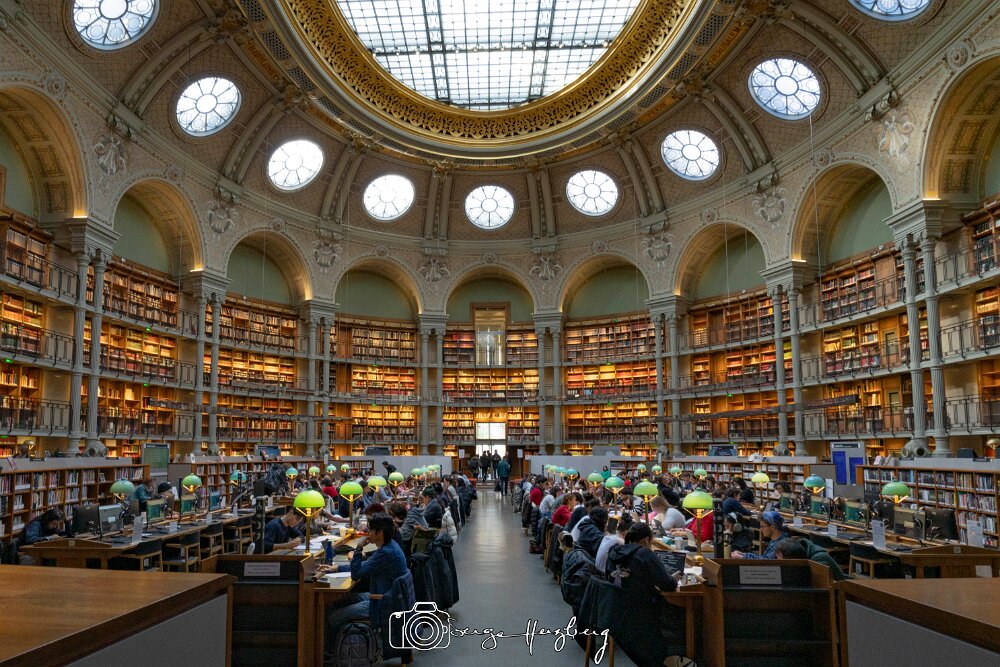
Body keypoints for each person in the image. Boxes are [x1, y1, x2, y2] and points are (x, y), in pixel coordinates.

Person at [322, 513, 409, 646]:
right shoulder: (389, 546)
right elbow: (366, 565)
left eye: (370, 530)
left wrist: (358, 548)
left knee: (334, 616)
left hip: (382, 603)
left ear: (379, 532)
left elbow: (357, 573)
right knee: (339, 600)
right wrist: (337, 568)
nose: (367, 533)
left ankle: (332, 651)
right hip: (384, 596)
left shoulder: (386, 553)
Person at [774, 538, 848, 580]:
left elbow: (819, 585)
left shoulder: (819, 559)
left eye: (783, 562)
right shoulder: (801, 550)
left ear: (794, 559)